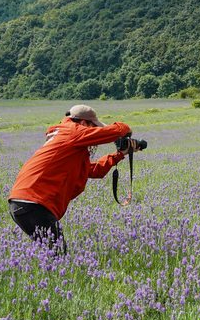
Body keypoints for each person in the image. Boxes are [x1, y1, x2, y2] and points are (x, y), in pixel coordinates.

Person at [8, 104, 136, 255]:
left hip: (22, 203)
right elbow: (118, 130)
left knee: (50, 255)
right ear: (82, 123)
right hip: (34, 203)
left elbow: (93, 170)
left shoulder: (68, 140)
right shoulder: (72, 132)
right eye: (92, 127)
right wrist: (123, 131)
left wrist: (119, 154)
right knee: (58, 257)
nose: (93, 132)